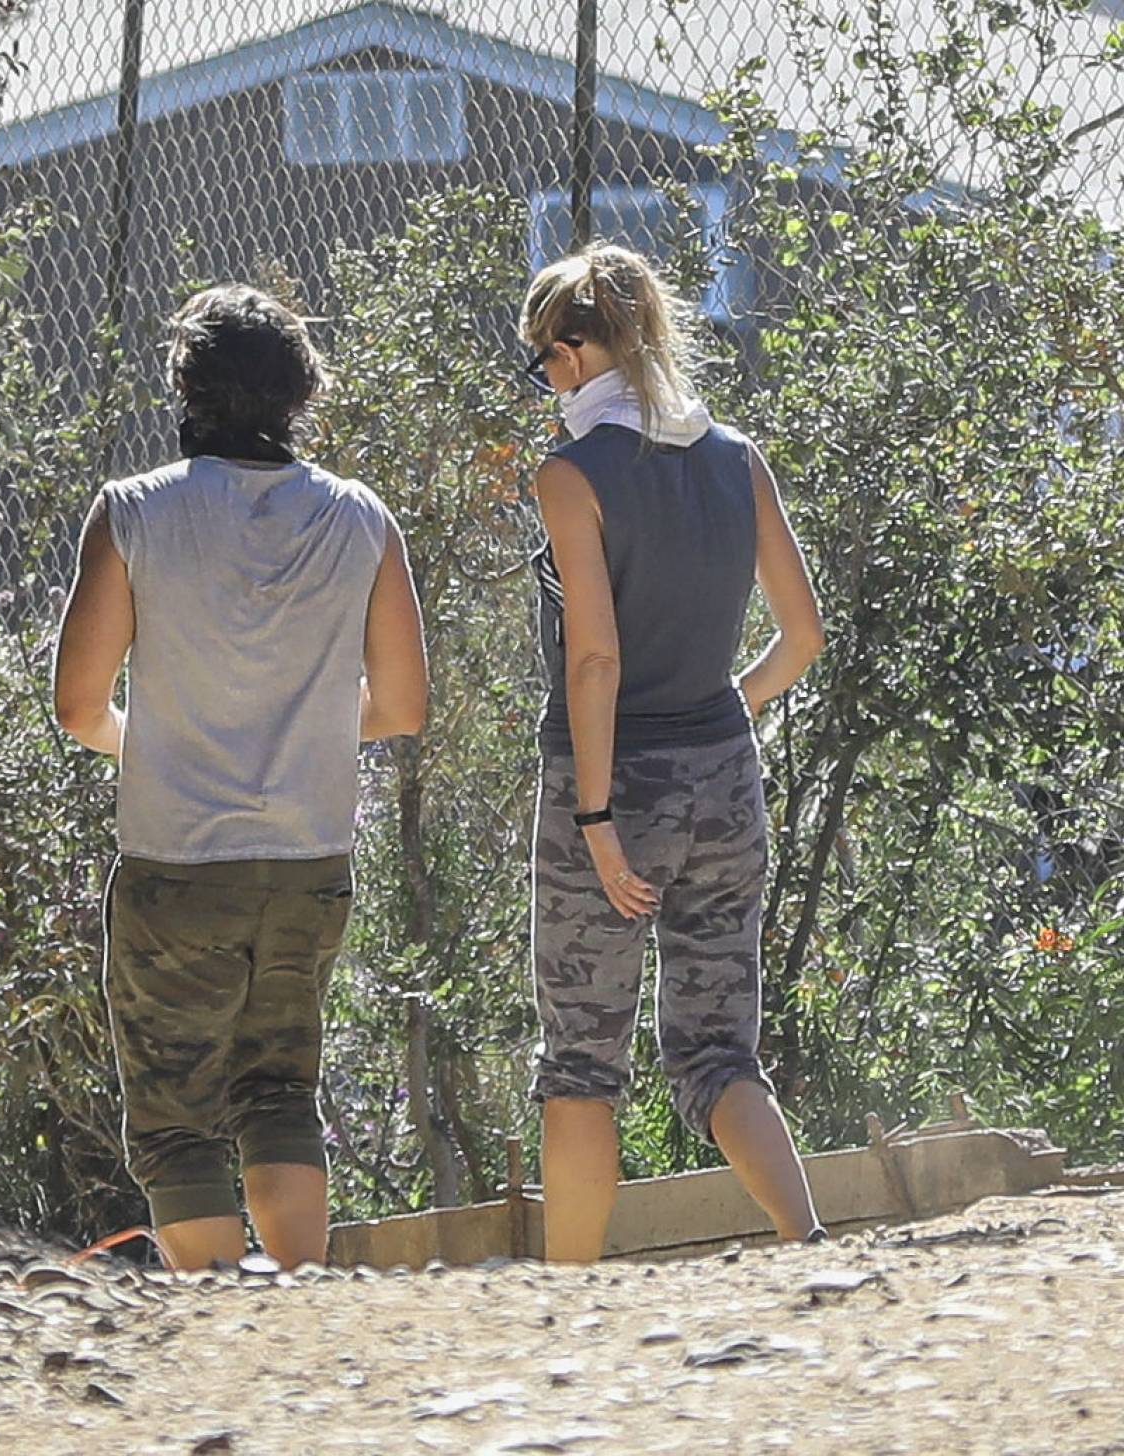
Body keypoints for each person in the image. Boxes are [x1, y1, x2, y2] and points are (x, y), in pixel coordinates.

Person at [53, 284, 427, 1271]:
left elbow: (79, 706)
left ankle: (224, 1333)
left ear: (187, 386)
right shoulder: (360, 518)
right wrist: (295, 726)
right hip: (309, 860)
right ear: (301, 391)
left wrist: (167, 737)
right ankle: (298, 1311)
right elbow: (402, 704)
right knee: (279, 1090)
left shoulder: (133, 512)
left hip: (180, 860)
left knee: (178, 1113)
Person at [521, 244, 827, 1261]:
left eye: (542, 359)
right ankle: (805, 1236)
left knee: (581, 1061)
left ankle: (565, 1297)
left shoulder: (569, 476)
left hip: (608, 780)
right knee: (715, 1051)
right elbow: (802, 634)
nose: (543, 380)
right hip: (723, 775)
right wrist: (721, 707)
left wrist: (599, 819)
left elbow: (594, 660)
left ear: (575, 351)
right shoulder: (736, 459)